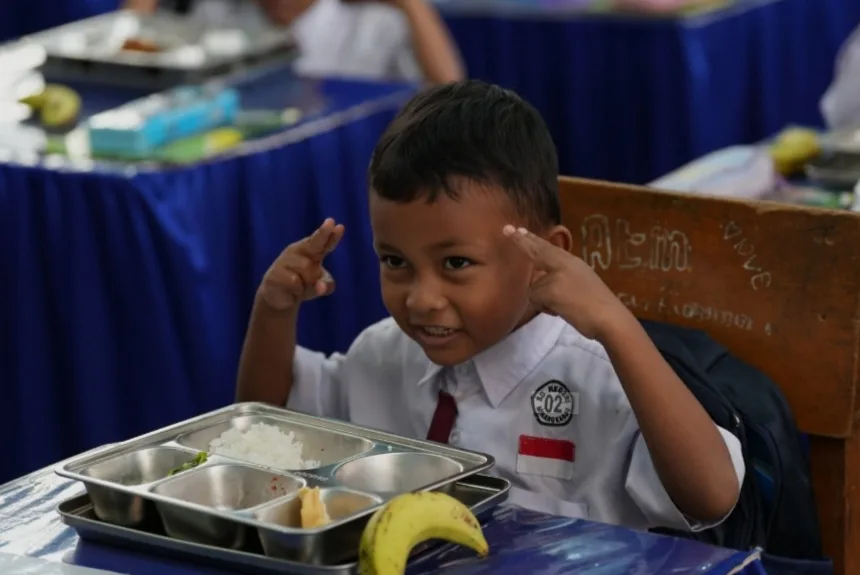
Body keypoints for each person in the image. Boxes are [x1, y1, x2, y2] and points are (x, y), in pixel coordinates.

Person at [236, 80, 744, 531]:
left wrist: (615, 325)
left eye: (456, 263)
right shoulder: (381, 354)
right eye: (394, 260)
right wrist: (274, 310)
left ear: (544, 259)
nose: (421, 299)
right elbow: (266, 423)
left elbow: (711, 497)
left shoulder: (596, 375)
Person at [122, 0, 463, 84]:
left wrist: (409, 4)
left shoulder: (374, 25)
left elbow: (449, 93)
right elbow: (130, 56)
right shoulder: (214, 15)